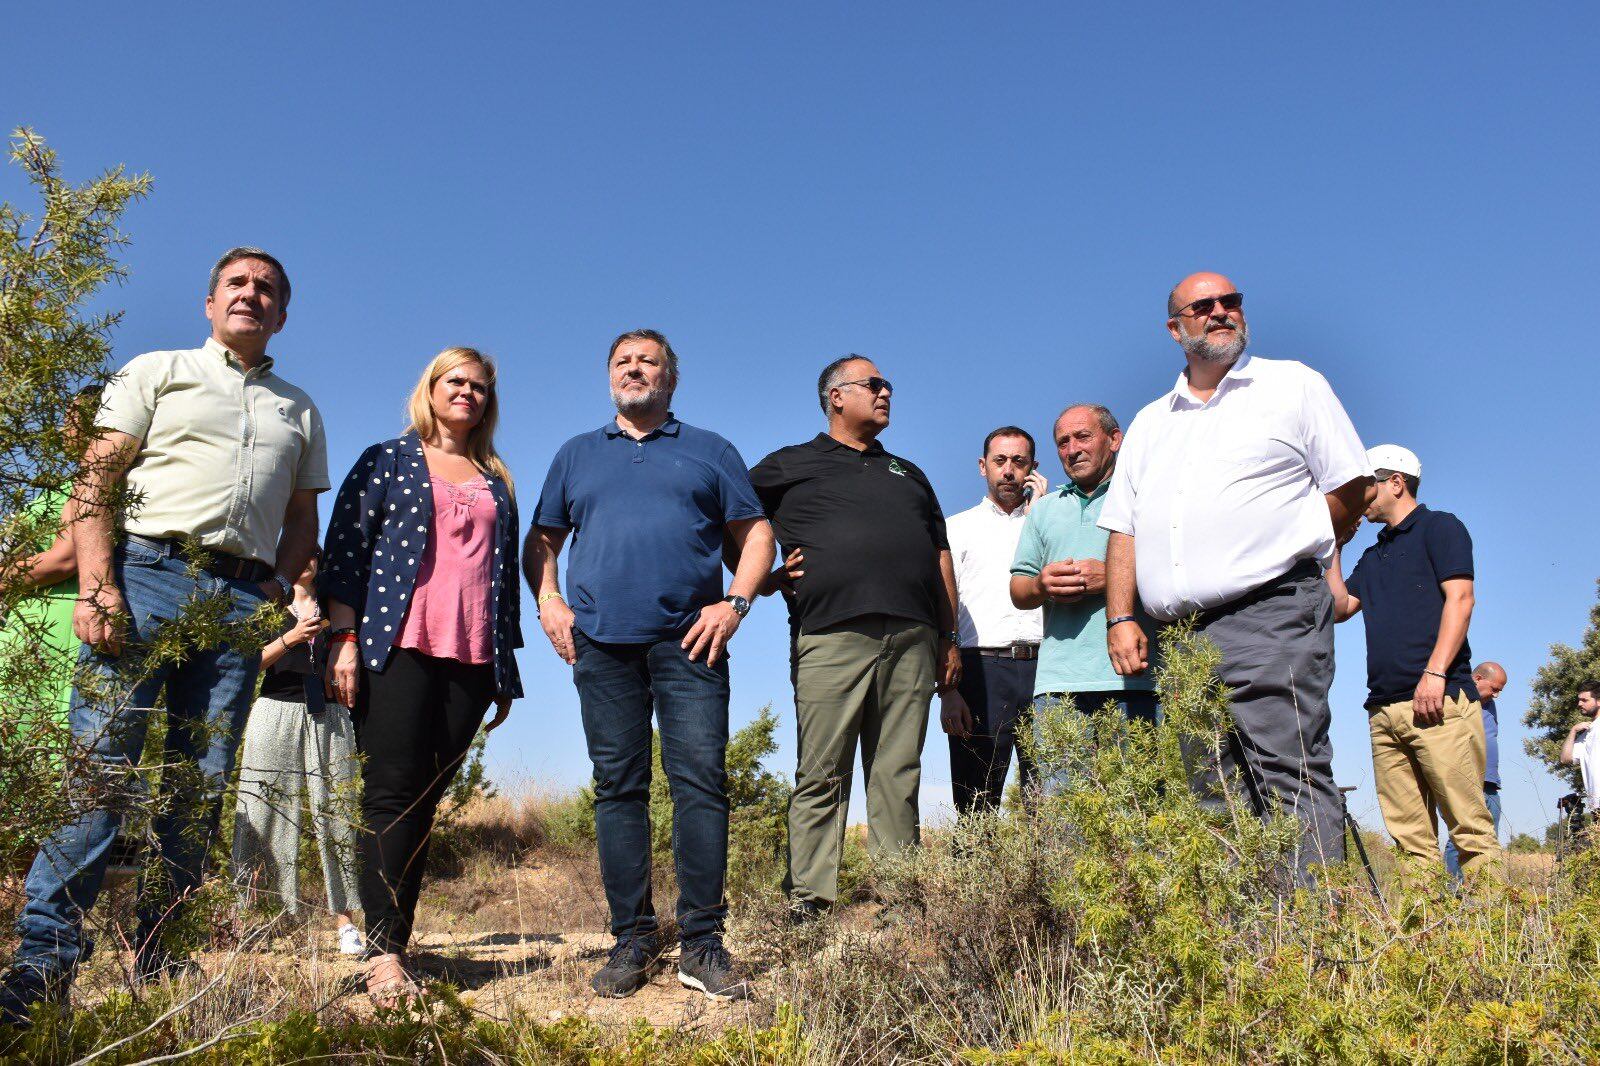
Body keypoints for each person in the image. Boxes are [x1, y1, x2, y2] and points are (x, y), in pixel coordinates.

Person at [1, 248, 327, 1026]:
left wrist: (276, 592)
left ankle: (163, 958)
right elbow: (95, 484)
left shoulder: (299, 410)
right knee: (102, 775)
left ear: (282, 314)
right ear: (210, 302)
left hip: (238, 599)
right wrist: (98, 584)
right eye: (237, 285)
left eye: (267, 290)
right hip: (144, 574)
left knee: (198, 783)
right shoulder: (156, 370)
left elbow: (302, 523)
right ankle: (41, 972)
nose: (251, 296)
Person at [1099, 273, 1371, 883]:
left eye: (1232, 301)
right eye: (1204, 306)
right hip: (1180, 637)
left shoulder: (1293, 386)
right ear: (1176, 329)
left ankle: (1311, 944)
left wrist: (1295, 541)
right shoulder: (1149, 423)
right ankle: (1240, 940)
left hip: (1273, 614)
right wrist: (1120, 617)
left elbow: (1352, 488)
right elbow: (1124, 529)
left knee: (1289, 772)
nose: (1221, 312)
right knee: (1210, 786)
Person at [528, 329, 772, 1002]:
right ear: (610, 375)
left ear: (671, 377)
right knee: (618, 788)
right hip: (602, 644)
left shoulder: (709, 450)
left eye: (649, 362)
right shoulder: (577, 454)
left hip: (690, 641)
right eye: (623, 362)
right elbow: (543, 540)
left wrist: (734, 604)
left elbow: (756, 535)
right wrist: (549, 601)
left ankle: (701, 944)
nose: (635, 370)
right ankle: (632, 938)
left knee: (700, 783)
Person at [322, 347, 522, 1005]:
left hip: (471, 657)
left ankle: (394, 938)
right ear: (431, 388)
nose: (467, 393)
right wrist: (344, 640)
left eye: (479, 387)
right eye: (455, 382)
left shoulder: (497, 479)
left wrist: (504, 670)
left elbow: (503, 580)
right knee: (390, 795)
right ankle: (384, 956)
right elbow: (345, 556)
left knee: (426, 801)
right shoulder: (387, 460)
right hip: (395, 645)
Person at [751, 355, 960, 919]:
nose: (886, 391)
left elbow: (938, 553)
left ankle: (901, 900)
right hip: (830, 634)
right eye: (874, 384)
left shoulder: (910, 474)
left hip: (914, 637)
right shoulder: (787, 465)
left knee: (898, 771)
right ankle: (810, 903)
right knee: (821, 770)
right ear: (836, 397)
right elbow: (735, 524)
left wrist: (949, 635)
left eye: (888, 383)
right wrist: (762, 580)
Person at [1325, 445, 1501, 880]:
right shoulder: (1373, 554)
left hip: (1438, 701)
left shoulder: (1440, 528)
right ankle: (1422, 940)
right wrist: (1334, 546)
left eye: (1365, 487)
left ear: (1395, 483)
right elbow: (1339, 607)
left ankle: (1492, 940)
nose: (1358, 497)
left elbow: (1461, 600)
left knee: (1470, 833)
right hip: (1384, 711)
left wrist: (1435, 674)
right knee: (1411, 846)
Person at [1011, 405, 1158, 787]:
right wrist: (1042, 585)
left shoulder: (1148, 497)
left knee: (1136, 814)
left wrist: (1113, 577)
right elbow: (1019, 589)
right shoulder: (1043, 510)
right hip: (1057, 687)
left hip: (1134, 680)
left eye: (1082, 437)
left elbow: (1181, 572)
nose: (1072, 449)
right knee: (1065, 821)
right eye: (1062, 442)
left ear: (1114, 438)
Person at [231, 552, 364, 956]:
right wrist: (290, 638)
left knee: (339, 812)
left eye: (313, 554)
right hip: (274, 710)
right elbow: (242, 664)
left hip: (330, 713)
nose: (305, 560)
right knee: (262, 809)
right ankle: (254, 918)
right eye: (297, 554)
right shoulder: (264, 603)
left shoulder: (337, 610)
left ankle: (346, 922)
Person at [940, 427, 1047, 814]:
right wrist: (947, 691)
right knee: (975, 803)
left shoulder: (1050, 521)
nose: (1008, 471)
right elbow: (943, 609)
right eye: (999, 461)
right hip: (979, 670)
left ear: (1033, 469)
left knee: (1052, 802)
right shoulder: (956, 528)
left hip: (1047, 669)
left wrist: (1045, 518)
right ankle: (971, 877)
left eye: (1018, 462)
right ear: (983, 466)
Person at [0, 387, 101, 781]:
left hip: (57, 628)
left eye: (73, 417)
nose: (64, 426)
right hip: (32, 621)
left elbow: (63, 558)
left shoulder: (95, 482)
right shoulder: (69, 481)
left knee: (39, 745)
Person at [1444, 661, 1507, 878]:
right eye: (1495, 689)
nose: (1497, 695)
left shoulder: (1488, 702)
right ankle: (1452, 893)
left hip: (1490, 783)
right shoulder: (1455, 697)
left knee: (1489, 839)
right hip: (1469, 779)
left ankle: (1483, 894)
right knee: (1463, 837)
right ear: (1478, 679)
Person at [1558, 681, 1600, 818]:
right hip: (1596, 805)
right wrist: (1573, 731)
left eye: (1584, 700)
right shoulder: (1588, 732)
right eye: (1579, 700)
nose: (1579, 704)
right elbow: (1565, 758)